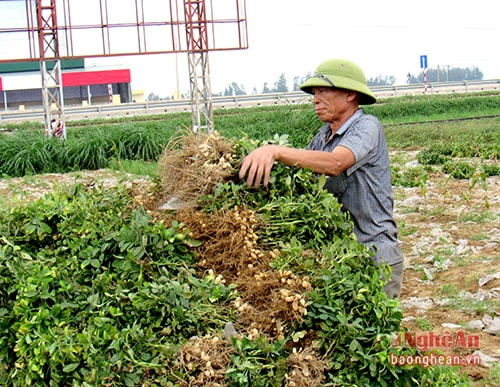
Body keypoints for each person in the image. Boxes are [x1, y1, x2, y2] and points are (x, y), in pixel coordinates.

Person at [238, 58, 404, 298]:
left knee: (373, 333)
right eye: (314, 93)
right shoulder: (323, 136)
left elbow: (336, 163)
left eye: (323, 91)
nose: (315, 99)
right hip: (341, 256)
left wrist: (276, 151)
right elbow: (302, 172)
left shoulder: (367, 126)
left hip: (375, 256)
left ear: (349, 94)